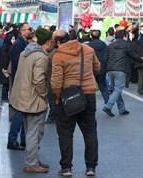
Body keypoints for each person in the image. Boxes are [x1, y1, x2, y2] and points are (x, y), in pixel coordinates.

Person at [51, 30, 100, 177]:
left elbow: (56, 81)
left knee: (65, 132)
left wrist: (57, 97)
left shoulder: (58, 55)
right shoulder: (89, 50)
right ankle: (91, 167)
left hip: (68, 95)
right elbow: (97, 67)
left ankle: (66, 167)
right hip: (89, 93)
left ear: (58, 42)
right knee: (90, 131)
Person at [9, 28, 52, 174]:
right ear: (48, 41)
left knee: (29, 131)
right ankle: (31, 163)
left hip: (23, 97)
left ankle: (32, 159)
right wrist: (44, 94)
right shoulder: (41, 57)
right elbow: (39, 80)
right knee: (35, 132)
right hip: (34, 99)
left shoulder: (25, 52)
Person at [102, 30, 142, 117]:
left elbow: (105, 58)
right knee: (118, 89)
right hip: (121, 69)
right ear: (124, 36)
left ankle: (122, 109)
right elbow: (134, 55)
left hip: (110, 70)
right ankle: (108, 106)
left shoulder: (110, 45)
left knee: (116, 90)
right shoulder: (126, 45)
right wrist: (142, 60)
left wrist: (105, 69)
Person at [7, 23, 32, 150]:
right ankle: (13, 140)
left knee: (24, 113)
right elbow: (20, 65)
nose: (30, 31)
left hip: (23, 81)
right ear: (22, 31)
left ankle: (23, 140)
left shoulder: (23, 43)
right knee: (20, 112)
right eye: (28, 29)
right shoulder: (18, 45)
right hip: (21, 81)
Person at [88, 25, 109, 104]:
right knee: (103, 86)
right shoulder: (104, 44)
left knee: (90, 88)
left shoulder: (88, 45)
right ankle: (107, 103)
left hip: (91, 69)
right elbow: (107, 56)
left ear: (91, 35)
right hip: (102, 68)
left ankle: (91, 104)